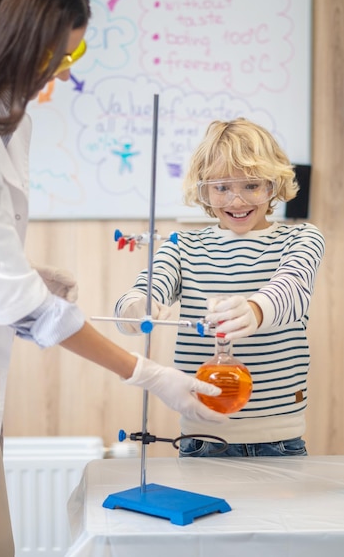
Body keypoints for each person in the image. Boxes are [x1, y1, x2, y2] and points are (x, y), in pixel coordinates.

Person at [0, 0, 226, 557]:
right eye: (57, 57)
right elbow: (27, 309)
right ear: (14, 43)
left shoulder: (8, 123)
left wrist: (23, 271)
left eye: (75, 56)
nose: (63, 74)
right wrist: (150, 374)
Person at [115, 118, 325, 459]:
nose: (237, 200)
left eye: (252, 185)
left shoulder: (300, 238)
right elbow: (147, 287)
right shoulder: (182, 246)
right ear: (203, 189)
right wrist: (136, 307)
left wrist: (255, 310)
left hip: (280, 440)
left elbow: (293, 288)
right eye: (222, 187)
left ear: (274, 185)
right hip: (202, 438)